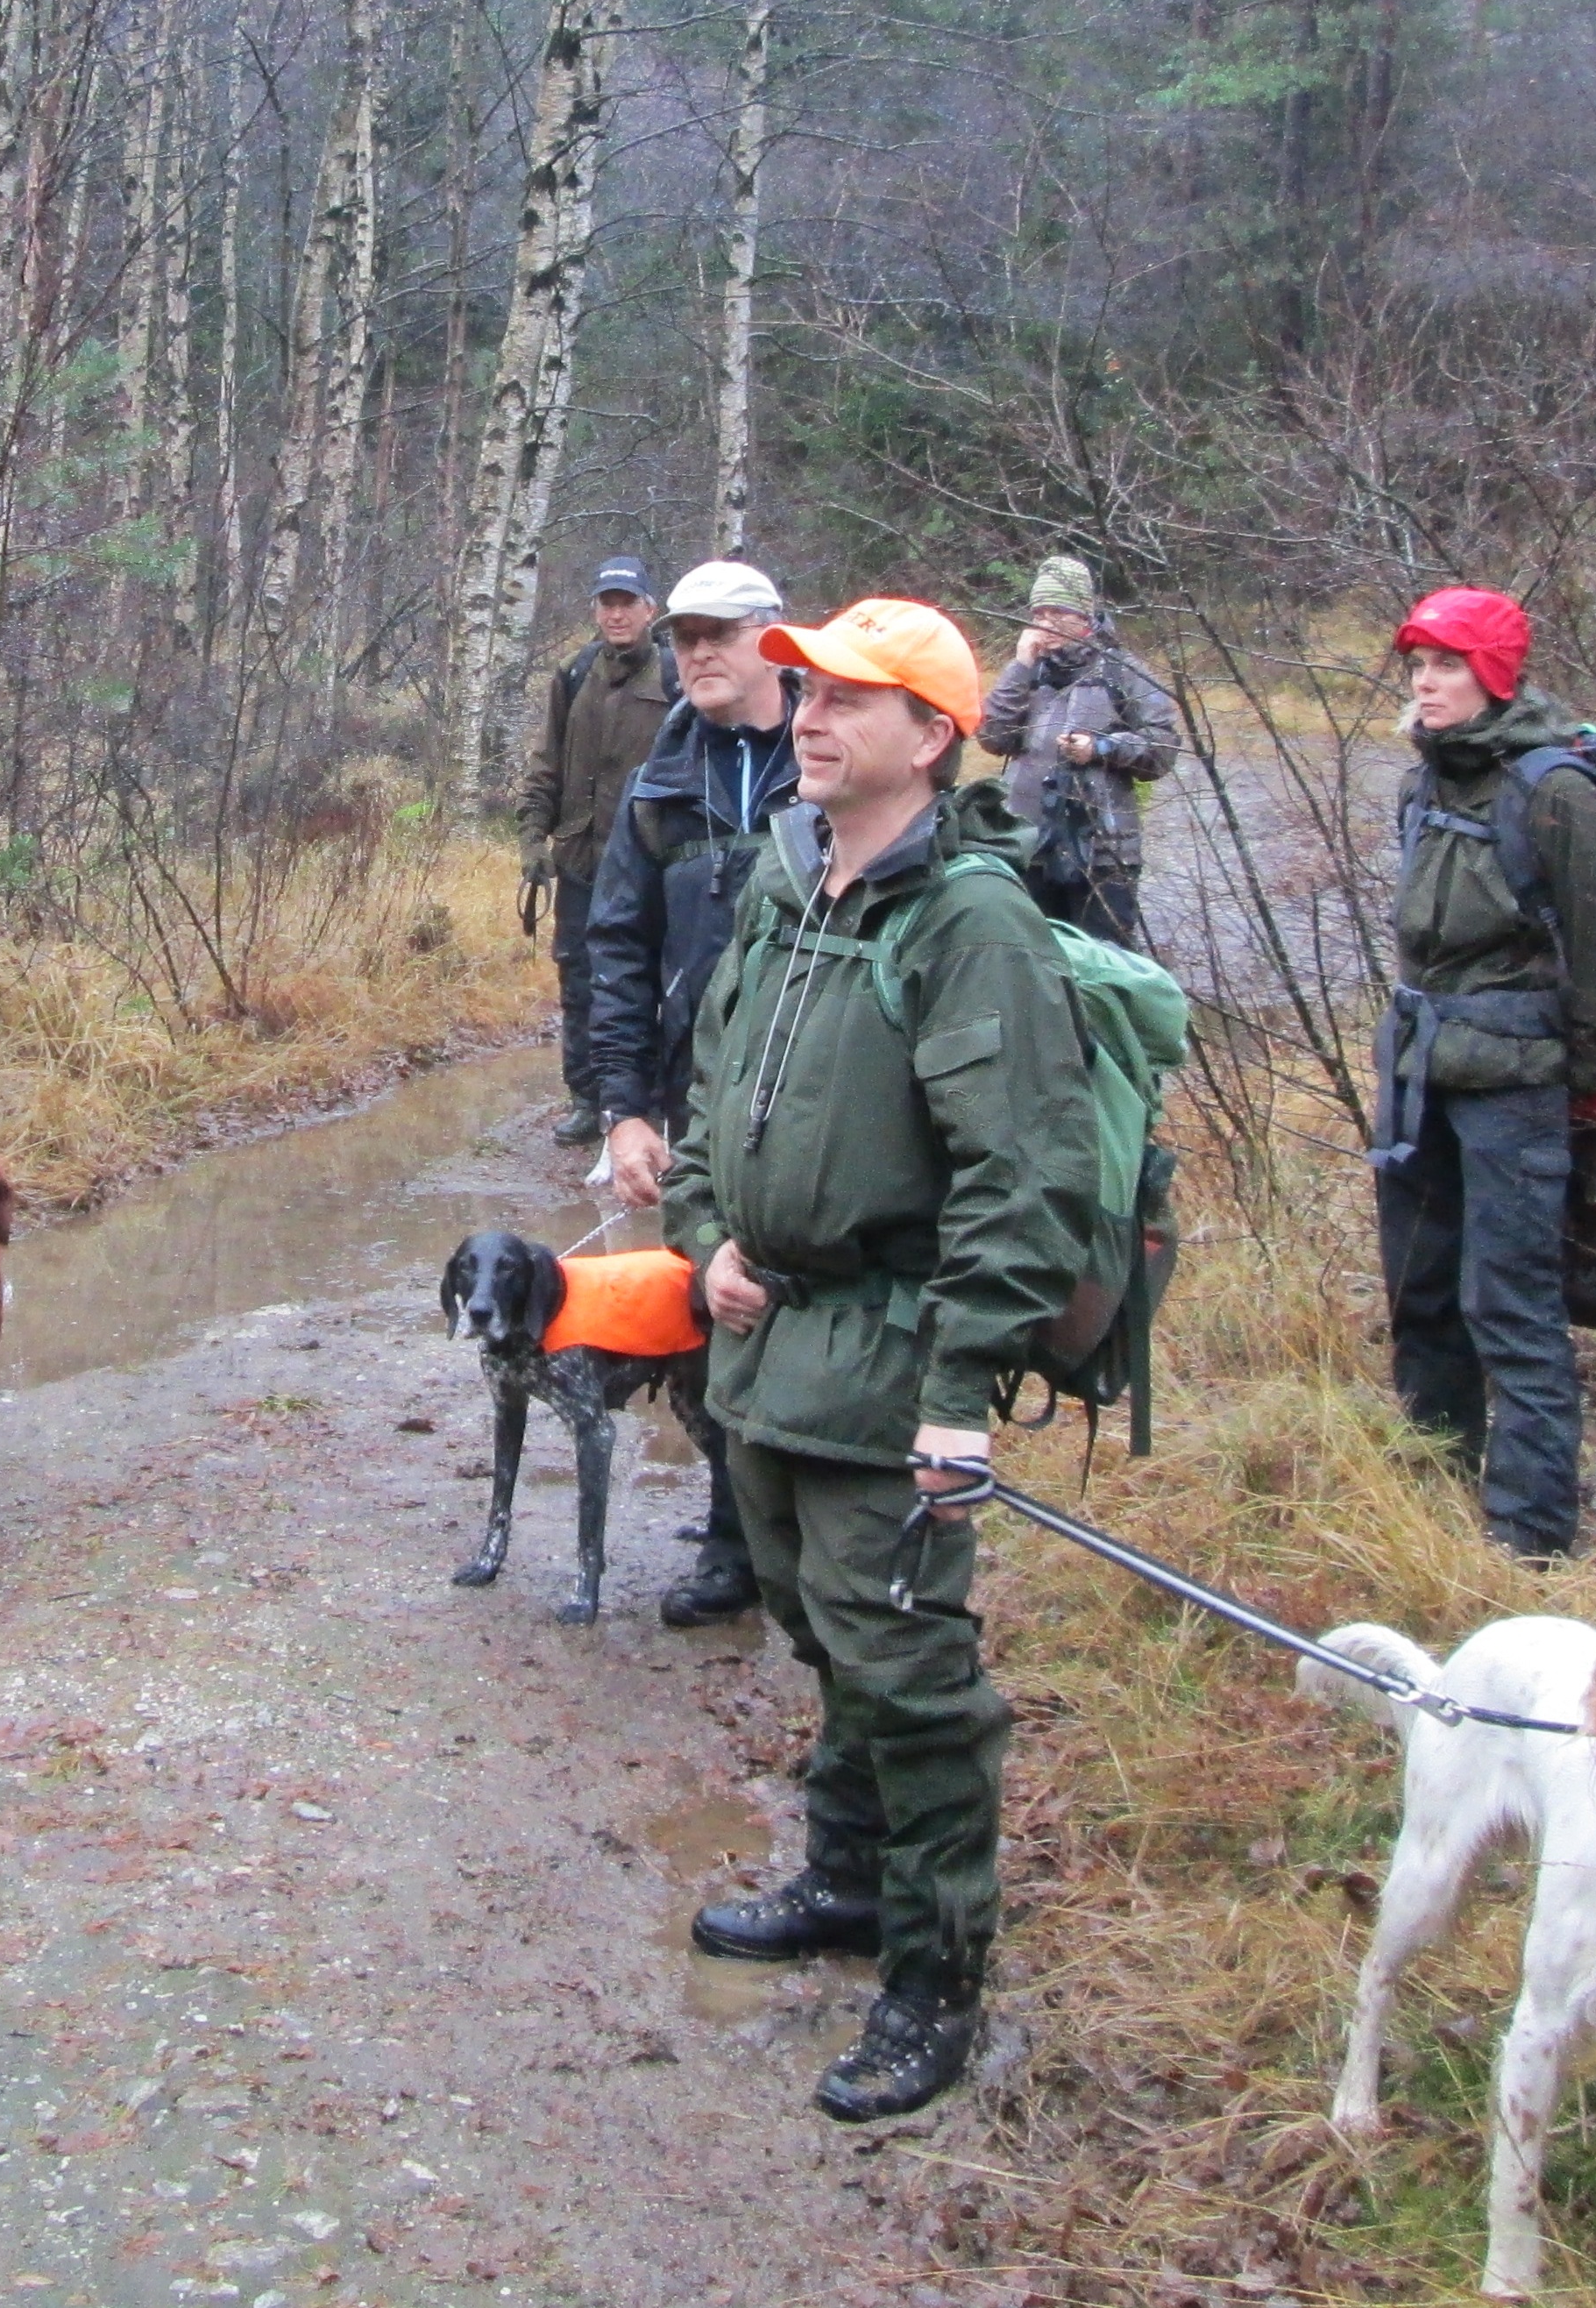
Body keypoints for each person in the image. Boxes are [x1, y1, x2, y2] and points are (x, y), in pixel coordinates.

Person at [664, 598, 1099, 2123]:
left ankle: (934, 1978)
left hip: (894, 1351)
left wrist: (961, 1397)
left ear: (932, 736)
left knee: (911, 1678)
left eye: (852, 697)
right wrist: (704, 1224)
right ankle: (842, 1883)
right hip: (766, 1339)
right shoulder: (786, 881)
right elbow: (715, 1079)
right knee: (818, 1627)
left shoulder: (969, 922)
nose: (811, 716)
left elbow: (1023, 1179)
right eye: (805, 692)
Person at [1367, 585, 1596, 1563]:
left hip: (1515, 1084)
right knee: (1422, 1290)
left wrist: (1594, 1084)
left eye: (1444, 666)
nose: (1425, 684)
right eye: (1418, 666)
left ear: (1492, 674)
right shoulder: (1424, 782)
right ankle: (1434, 1491)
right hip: (1419, 1069)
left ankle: (1528, 1543)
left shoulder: (1553, 790)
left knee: (1510, 1306)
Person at [585, 557, 801, 1625]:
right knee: (713, 1308)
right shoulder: (661, 782)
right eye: (683, 638)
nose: (699, 653)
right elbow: (618, 946)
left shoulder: (835, 755)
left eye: (720, 633)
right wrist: (625, 1106)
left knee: (809, 1305)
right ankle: (735, 1542)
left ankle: (819, 1524)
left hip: (817, 1088)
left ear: (776, 638)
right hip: (698, 1094)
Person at [514, 557, 672, 1145]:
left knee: (651, 983)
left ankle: (649, 1103)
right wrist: (534, 836)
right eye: (607, 602)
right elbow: (546, 762)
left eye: (627, 602)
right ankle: (588, 1097)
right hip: (581, 858)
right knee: (580, 982)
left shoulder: (675, 679)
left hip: (650, 867)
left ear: (650, 609)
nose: (616, 612)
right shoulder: (575, 672)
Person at [972, 553, 1176, 948]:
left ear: (1083, 615)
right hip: (1030, 848)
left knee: (1105, 971)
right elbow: (993, 737)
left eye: (1055, 612)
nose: (1043, 623)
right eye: (1038, 613)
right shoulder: (1029, 673)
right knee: (1034, 964)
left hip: (1103, 857)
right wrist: (1018, 668)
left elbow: (1163, 747)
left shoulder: (1122, 671)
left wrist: (1103, 747)